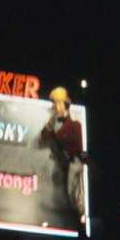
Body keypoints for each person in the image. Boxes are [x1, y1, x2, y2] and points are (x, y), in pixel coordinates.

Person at [39, 86, 86, 220]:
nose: (57, 107)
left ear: (64, 104)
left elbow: (78, 146)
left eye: (59, 103)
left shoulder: (75, 125)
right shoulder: (55, 123)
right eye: (55, 104)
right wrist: (49, 125)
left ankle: (78, 214)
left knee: (72, 190)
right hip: (61, 164)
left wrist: (66, 154)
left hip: (73, 162)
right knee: (62, 190)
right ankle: (70, 215)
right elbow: (44, 136)